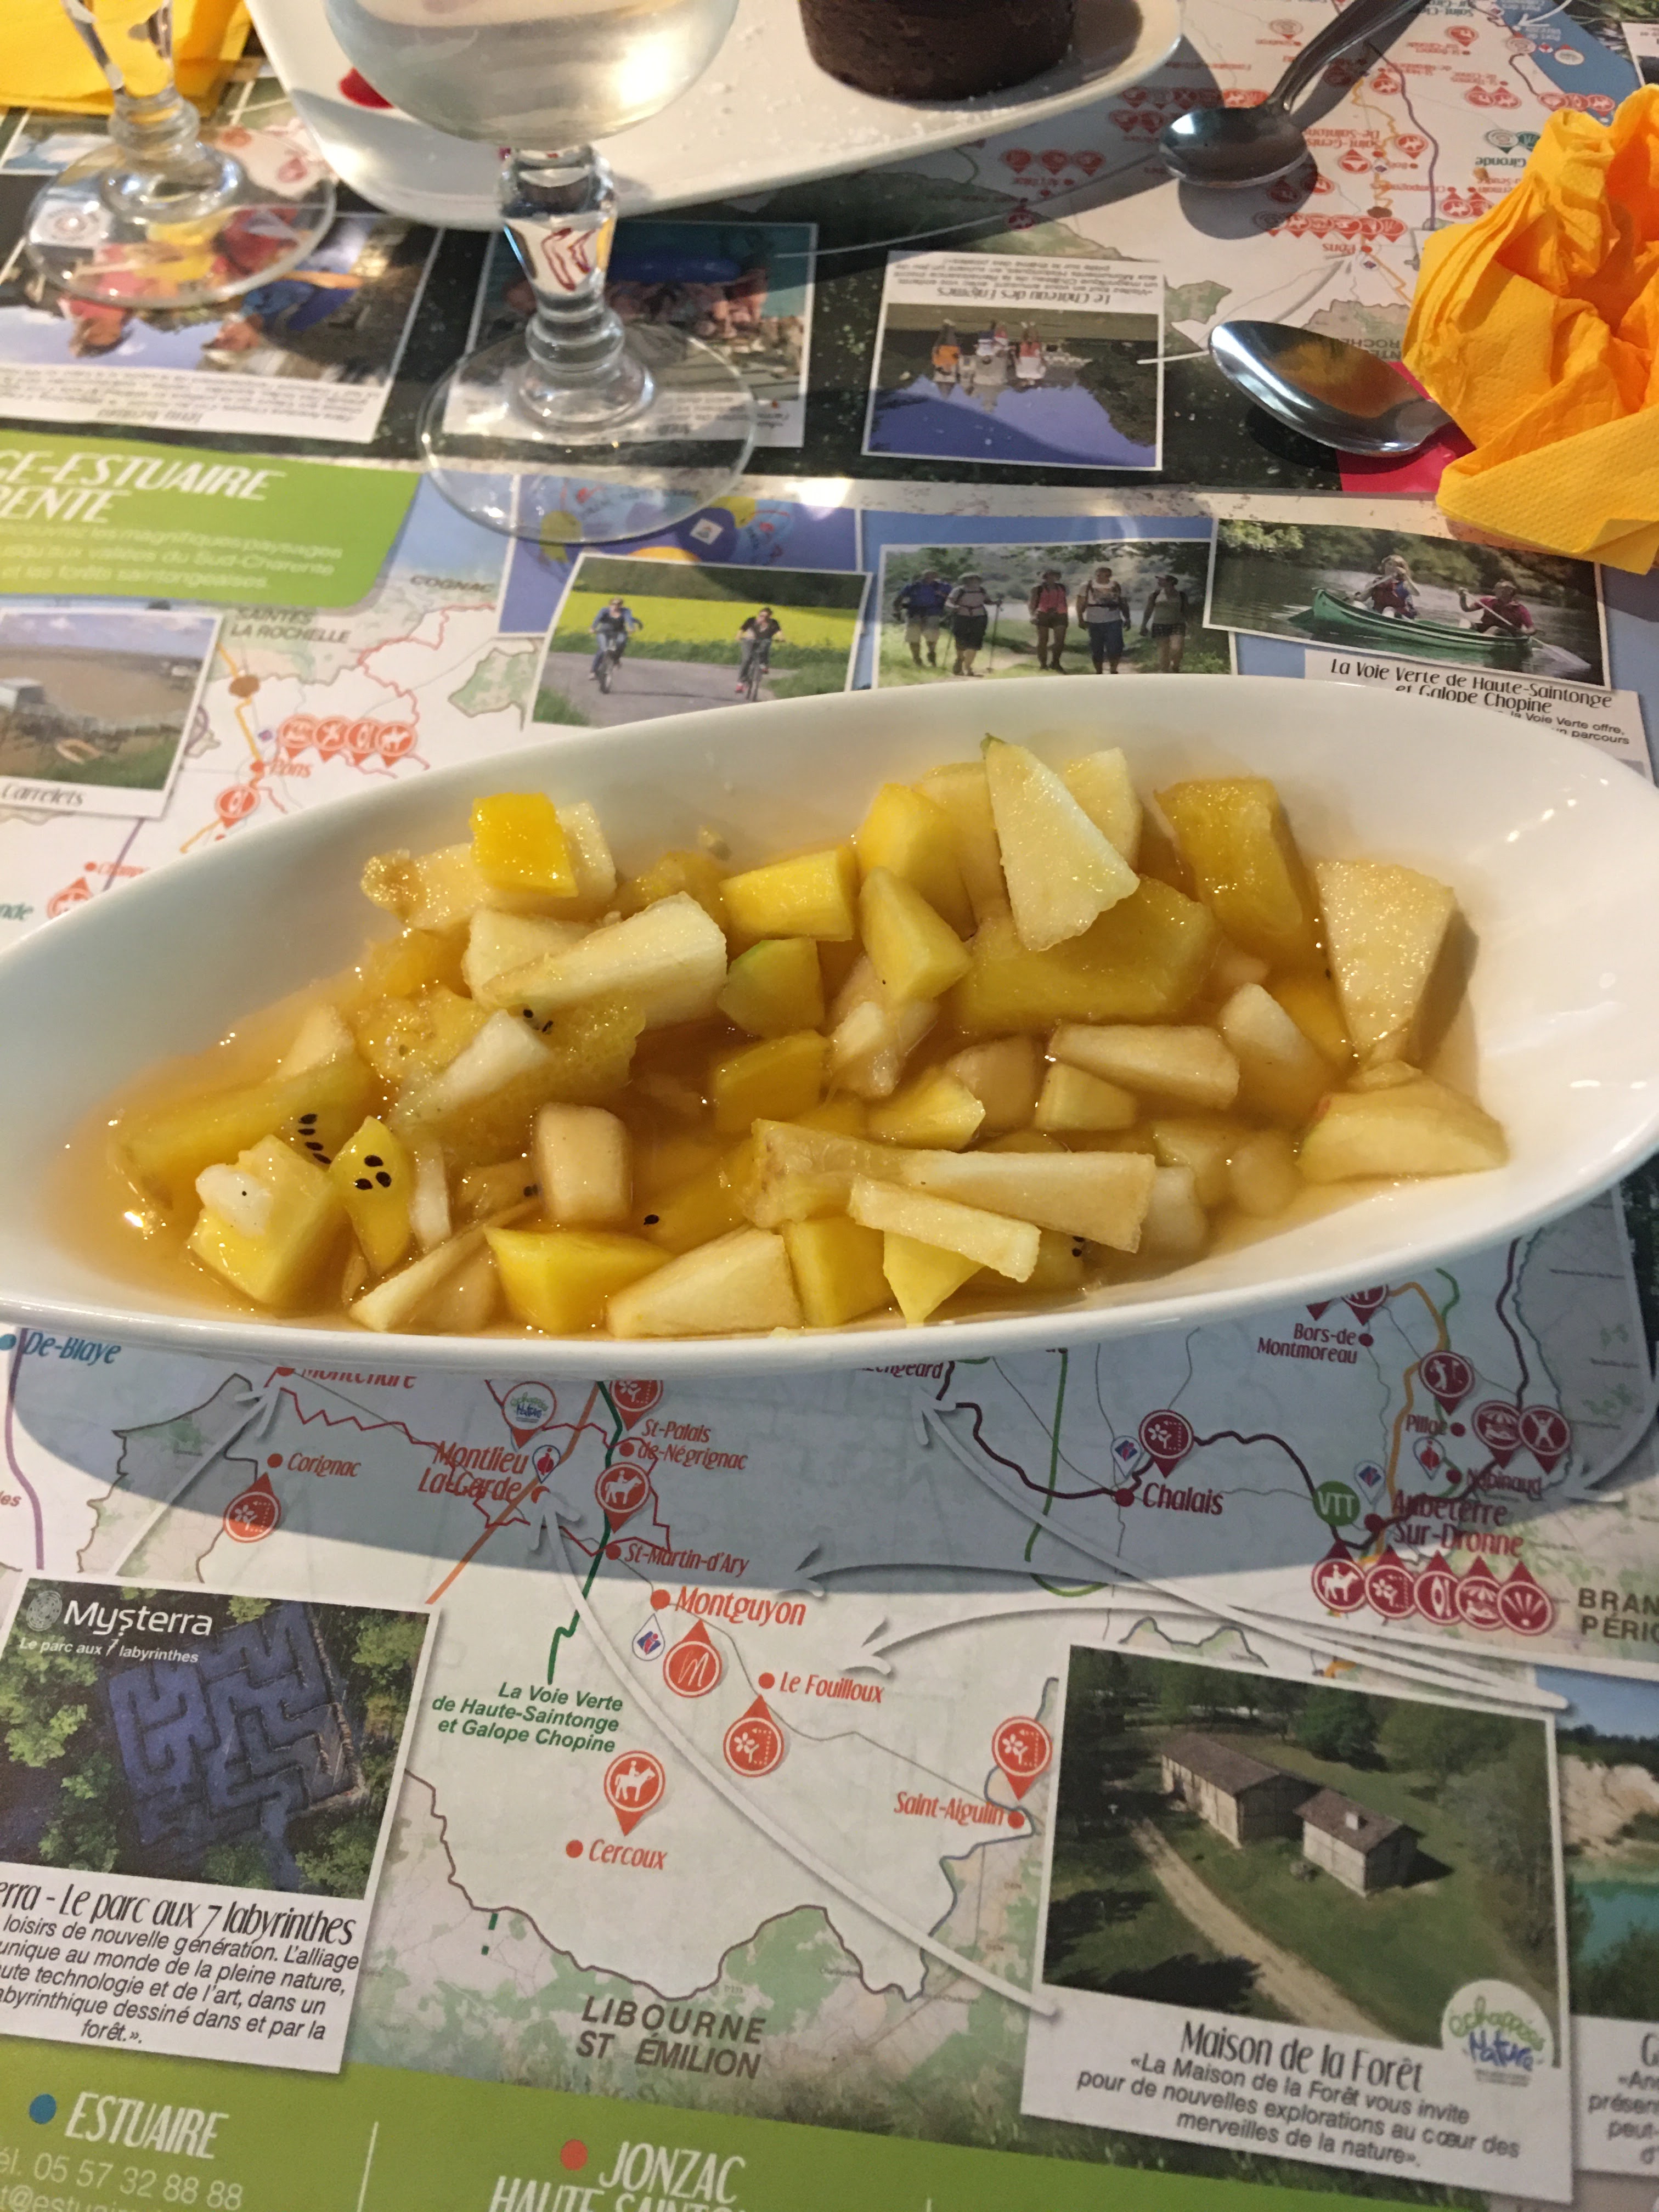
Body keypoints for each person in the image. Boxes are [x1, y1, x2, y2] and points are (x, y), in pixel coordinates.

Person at [1075, 565, 1128, 675]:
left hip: (1114, 619)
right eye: (1099, 575)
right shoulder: (1087, 586)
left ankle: (1113, 669)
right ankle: (1099, 671)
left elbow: (1123, 603)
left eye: (1105, 576)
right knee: (1096, 647)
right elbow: (1080, 603)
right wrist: (1080, 619)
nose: (1101, 578)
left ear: (1109, 576)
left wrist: (1127, 618)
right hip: (1094, 621)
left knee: (1115, 646)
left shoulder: (1116, 586)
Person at [894, 568, 951, 669]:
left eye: (932, 575)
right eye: (927, 575)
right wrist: (897, 611)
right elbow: (899, 598)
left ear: (936, 576)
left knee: (932, 637)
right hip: (914, 614)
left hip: (932, 613)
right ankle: (917, 659)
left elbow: (952, 598)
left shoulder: (943, 587)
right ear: (922, 576)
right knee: (914, 638)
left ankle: (932, 654)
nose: (929, 577)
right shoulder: (913, 587)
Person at [944, 573, 992, 678]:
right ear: (965, 580)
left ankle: (968, 667)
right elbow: (949, 602)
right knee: (960, 640)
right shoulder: (958, 590)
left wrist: (996, 603)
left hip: (979, 617)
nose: (974, 580)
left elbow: (987, 601)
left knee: (975, 642)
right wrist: (954, 607)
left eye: (976, 579)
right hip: (962, 616)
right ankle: (960, 659)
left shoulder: (982, 590)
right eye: (971, 579)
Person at [1141, 572, 1190, 672]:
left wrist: (1190, 625)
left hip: (1178, 624)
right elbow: (1148, 610)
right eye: (1158, 579)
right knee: (1163, 650)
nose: (1159, 581)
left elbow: (1186, 611)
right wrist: (1144, 625)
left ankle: (1176, 666)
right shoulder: (1155, 595)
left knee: (1176, 648)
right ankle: (1164, 671)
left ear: (1171, 581)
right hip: (1159, 624)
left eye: (1161, 579)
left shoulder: (1181, 595)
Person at [1028, 567, 1071, 672]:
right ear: (1045, 577)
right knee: (1043, 640)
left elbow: (1064, 601)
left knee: (1060, 640)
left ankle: (1056, 662)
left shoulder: (1062, 588)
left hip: (1060, 614)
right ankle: (1043, 664)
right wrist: (1033, 615)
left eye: (1055, 576)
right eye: (1050, 576)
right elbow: (1033, 603)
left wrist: (1066, 614)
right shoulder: (1038, 589)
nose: (1053, 578)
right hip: (1043, 614)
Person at [1459, 577, 1534, 637]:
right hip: (1485, 630)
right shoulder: (1487, 601)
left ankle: (1480, 640)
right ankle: (1462, 638)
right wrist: (1463, 597)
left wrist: (1525, 633)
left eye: (1498, 589)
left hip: (1507, 635)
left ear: (1509, 591)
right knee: (1465, 623)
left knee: (1495, 629)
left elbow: (1532, 629)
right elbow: (1466, 609)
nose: (1494, 591)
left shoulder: (1520, 609)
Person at [590, 596, 641, 679]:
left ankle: (616, 660)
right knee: (603, 650)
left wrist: (631, 628)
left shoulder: (625, 611)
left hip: (618, 633)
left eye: (618, 604)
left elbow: (628, 619)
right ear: (610, 605)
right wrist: (593, 628)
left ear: (621, 605)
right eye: (613, 604)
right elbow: (598, 619)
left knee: (620, 643)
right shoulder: (605, 611)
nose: (616, 606)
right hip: (604, 633)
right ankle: (593, 672)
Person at [737, 607, 785, 695]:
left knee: (765, 645)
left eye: (766, 617)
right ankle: (741, 683)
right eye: (762, 616)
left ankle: (763, 664)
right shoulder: (752, 621)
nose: (764, 618)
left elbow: (778, 632)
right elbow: (742, 629)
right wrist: (739, 637)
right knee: (746, 659)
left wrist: (781, 638)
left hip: (764, 642)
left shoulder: (773, 623)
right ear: (759, 615)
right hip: (750, 641)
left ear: (770, 617)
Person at [1357, 552, 1418, 619]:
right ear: (1385, 565)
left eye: (1396, 566)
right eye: (1390, 564)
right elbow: (1362, 598)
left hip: (1398, 617)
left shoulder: (1404, 584)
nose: (1391, 567)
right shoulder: (1377, 582)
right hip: (1378, 614)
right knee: (1357, 604)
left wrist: (1405, 576)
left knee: (1389, 609)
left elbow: (1417, 593)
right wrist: (1354, 598)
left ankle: (1383, 622)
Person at [930, 320, 961, 389]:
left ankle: (946, 325)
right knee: (951, 335)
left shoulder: (937, 362)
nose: (949, 369)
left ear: (943, 369)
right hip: (952, 346)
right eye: (950, 370)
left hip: (941, 347)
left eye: (947, 370)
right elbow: (957, 354)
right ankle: (951, 325)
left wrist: (936, 347)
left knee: (942, 335)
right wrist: (957, 349)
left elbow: (934, 353)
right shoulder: (953, 362)